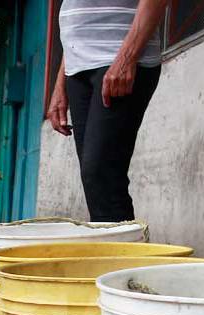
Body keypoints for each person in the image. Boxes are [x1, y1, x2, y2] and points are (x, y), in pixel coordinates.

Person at [47, 0, 169, 222]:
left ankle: (122, 254)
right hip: (78, 66)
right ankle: (114, 251)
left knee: (101, 175)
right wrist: (60, 84)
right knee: (95, 181)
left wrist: (126, 58)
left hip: (119, 56)